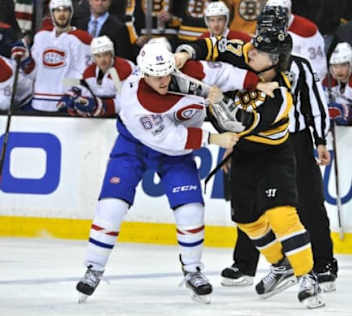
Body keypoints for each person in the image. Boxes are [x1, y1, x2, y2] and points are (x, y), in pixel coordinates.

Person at [75, 40, 269, 304]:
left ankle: (192, 271)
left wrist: (254, 84)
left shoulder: (187, 70)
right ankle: (93, 269)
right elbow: (167, 138)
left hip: (176, 155)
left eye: (167, 72)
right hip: (134, 146)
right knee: (111, 205)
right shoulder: (134, 99)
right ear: (144, 73)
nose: (163, 80)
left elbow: (223, 72)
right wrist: (214, 140)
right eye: (156, 76)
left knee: (191, 209)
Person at [176, 27, 325, 309]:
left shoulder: (280, 95)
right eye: (254, 47)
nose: (251, 51)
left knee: (281, 215)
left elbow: (235, 124)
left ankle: (308, 276)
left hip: (273, 157)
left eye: (261, 51)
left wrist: (210, 97)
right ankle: (281, 266)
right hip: (244, 154)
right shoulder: (248, 55)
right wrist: (187, 53)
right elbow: (215, 46)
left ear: (277, 60)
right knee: (245, 218)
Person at [219, 6, 337, 296]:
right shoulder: (249, 63)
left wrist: (320, 139)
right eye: (263, 25)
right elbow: (237, 105)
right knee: (248, 204)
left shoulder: (299, 65)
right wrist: (230, 142)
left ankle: (323, 265)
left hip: (293, 140)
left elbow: (315, 104)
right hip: (253, 139)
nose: (266, 30)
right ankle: (245, 264)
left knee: (308, 201)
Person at [30, 0, 92, 112]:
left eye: (65, 10)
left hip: (65, 103)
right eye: (57, 10)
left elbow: (86, 74)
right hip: (38, 102)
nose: (62, 14)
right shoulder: (40, 37)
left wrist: (74, 91)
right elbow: (33, 71)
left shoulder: (82, 39)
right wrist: (25, 58)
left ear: (71, 12)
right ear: (51, 13)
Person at [57, 35, 135, 117]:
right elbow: (85, 92)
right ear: (93, 57)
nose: (102, 60)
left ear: (112, 54)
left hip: (121, 118)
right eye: (98, 56)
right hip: (100, 118)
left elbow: (125, 102)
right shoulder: (90, 71)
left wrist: (101, 106)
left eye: (105, 54)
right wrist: (73, 95)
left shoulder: (124, 69)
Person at [262, 0, 328, 80]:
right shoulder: (263, 27)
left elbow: (319, 67)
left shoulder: (307, 30)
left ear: (289, 11)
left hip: (300, 82)